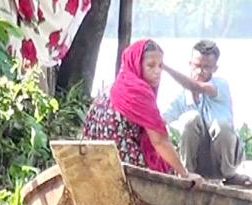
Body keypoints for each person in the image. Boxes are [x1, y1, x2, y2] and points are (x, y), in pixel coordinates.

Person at [83, 39, 202, 186]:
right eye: (151, 65)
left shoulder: (110, 88)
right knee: (168, 169)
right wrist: (184, 174)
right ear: (136, 64)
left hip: (94, 160)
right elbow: (159, 141)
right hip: (122, 165)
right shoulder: (138, 92)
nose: (157, 71)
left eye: (160, 66)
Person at [161, 39, 252, 187]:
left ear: (215, 68)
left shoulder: (220, 85)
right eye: (197, 66)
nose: (200, 71)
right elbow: (161, 120)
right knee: (190, 119)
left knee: (220, 125)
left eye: (206, 67)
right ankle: (187, 173)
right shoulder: (180, 96)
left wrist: (165, 67)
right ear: (190, 64)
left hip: (222, 161)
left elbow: (197, 87)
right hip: (198, 162)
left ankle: (230, 175)